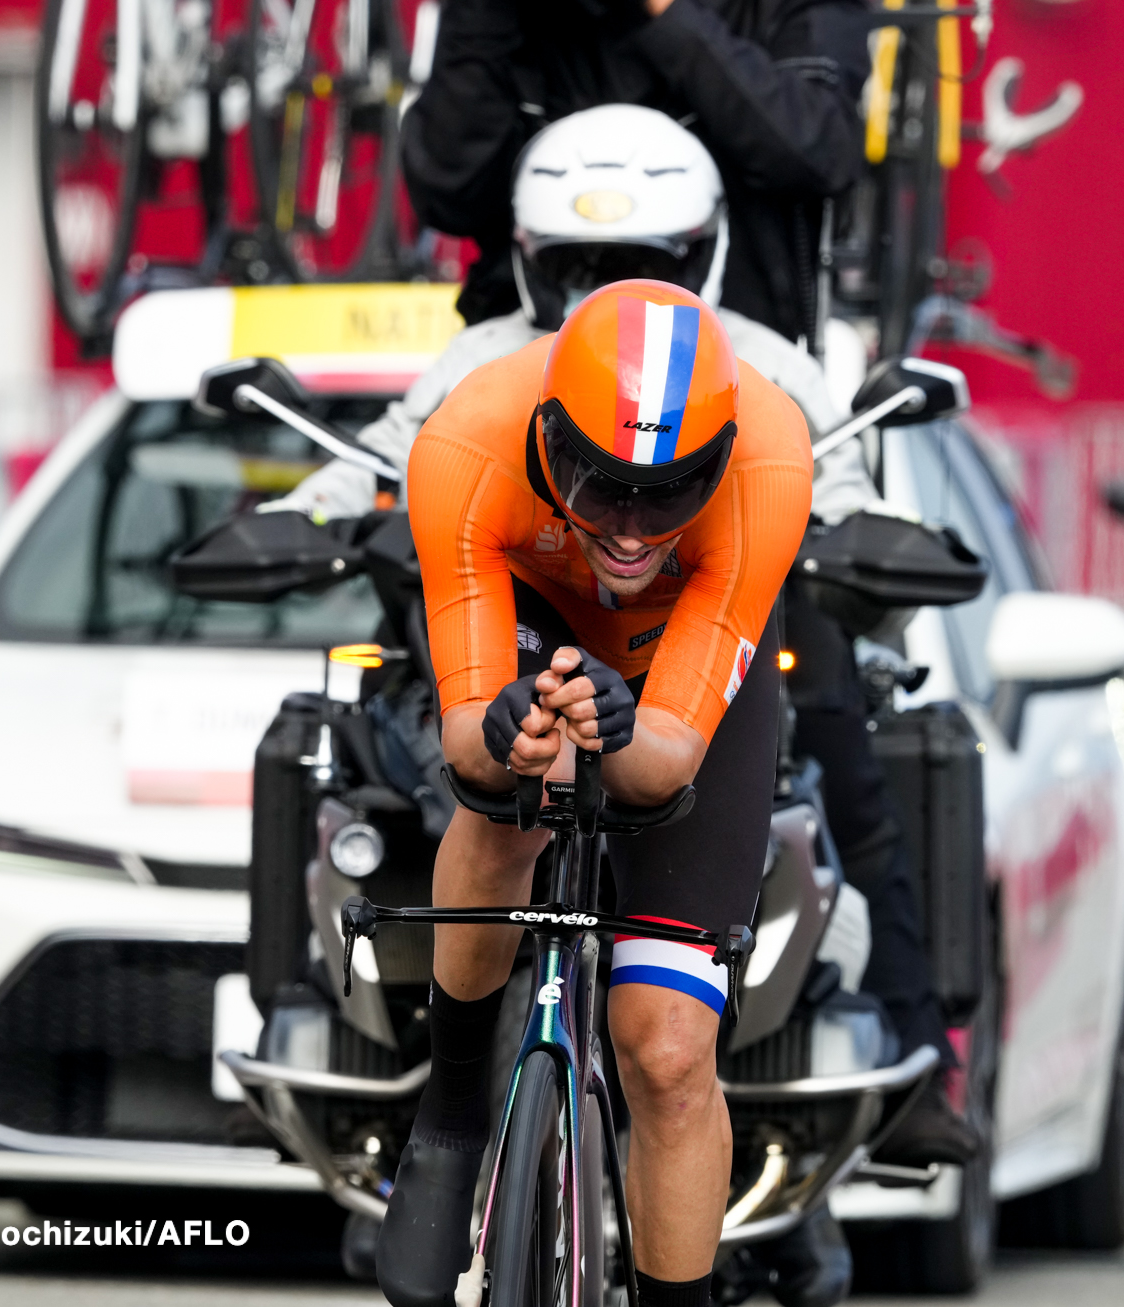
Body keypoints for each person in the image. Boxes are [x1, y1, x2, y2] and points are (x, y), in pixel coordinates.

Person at [278, 105, 979, 1174]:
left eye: (640, 260)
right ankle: (391, 1056)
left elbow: (837, 490)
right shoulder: (476, 371)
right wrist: (297, 518)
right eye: (576, 263)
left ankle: (914, 1043)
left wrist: (867, 540)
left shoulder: (767, 370)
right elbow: (370, 464)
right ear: (525, 260)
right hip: (514, 641)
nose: (606, 284)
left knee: (854, 756)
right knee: (379, 754)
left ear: (698, 256)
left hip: (702, 647)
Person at [378, 280, 808, 1307]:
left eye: (667, 493)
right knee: (507, 808)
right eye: (599, 484)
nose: (626, 528)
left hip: (672, 673)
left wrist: (622, 723)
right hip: (529, 610)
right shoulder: (465, 446)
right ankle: (450, 1106)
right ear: (545, 431)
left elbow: (662, 765)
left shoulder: (772, 457)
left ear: (719, 454)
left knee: (664, 1046)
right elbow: (468, 747)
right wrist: (506, 732)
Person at [399, 0, 871, 341]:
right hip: (527, 359)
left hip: (731, 361)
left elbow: (816, 151)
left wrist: (667, 13)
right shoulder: (503, 16)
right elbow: (448, 194)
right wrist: (481, 18)